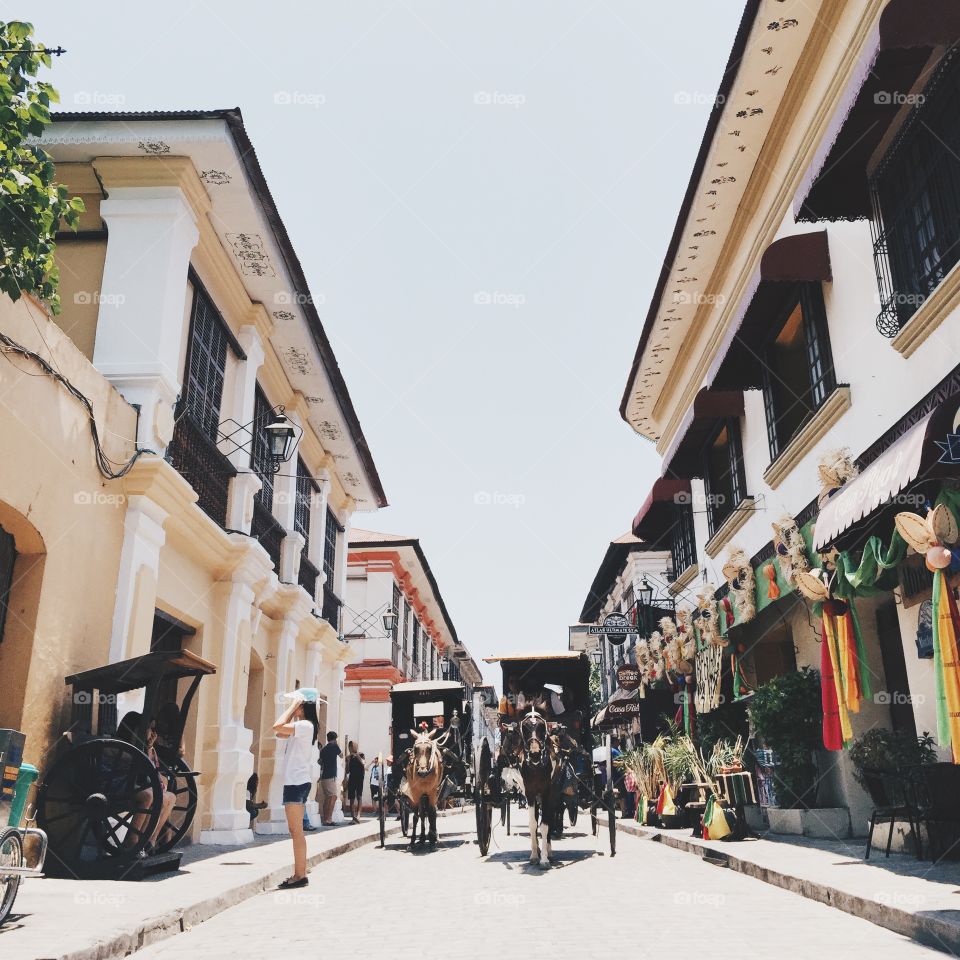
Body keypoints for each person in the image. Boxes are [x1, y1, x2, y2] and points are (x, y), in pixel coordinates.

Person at [272, 690, 320, 889]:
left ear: (303, 705)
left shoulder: (305, 725)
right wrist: (294, 709)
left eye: (297, 703)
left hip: (296, 782)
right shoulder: (302, 727)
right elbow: (279, 732)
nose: (293, 705)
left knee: (296, 831)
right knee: (296, 831)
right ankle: (299, 873)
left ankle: (300, 875)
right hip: (296, 781)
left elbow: (276, 725)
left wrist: (292, 707)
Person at [116, 712, 177, 855]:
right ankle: (132, 841)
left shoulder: (147, 748)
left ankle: (150, 840)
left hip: (136, 786)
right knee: (150, 795)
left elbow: (154, 772)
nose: (152, 732)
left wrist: (149, 749)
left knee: (170, 797)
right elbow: (140, 768)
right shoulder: (118, 745)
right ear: (137, 728)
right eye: (150, 728)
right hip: (118, 786)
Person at [318, 730, 342, 826]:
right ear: (335, 739)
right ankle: (328, 819)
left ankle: (325, 818)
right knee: (333, 796)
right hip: (331, 775)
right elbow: (341, 755)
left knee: (328, 797)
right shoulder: (335, 747)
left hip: (324, 776)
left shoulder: (323, 750)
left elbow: (320, 762)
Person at [345, 741, 364, 823]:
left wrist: (357, 756)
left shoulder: (361, 754)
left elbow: (363, 763)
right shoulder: (348, 757)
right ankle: (353, 817)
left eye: (352, 746)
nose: (351, 748)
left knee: (359, 796)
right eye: (350, 747)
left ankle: (359, 815)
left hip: (359, 778)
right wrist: (348, 761)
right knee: (351, 798)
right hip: (352, 778)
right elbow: (347, 771)